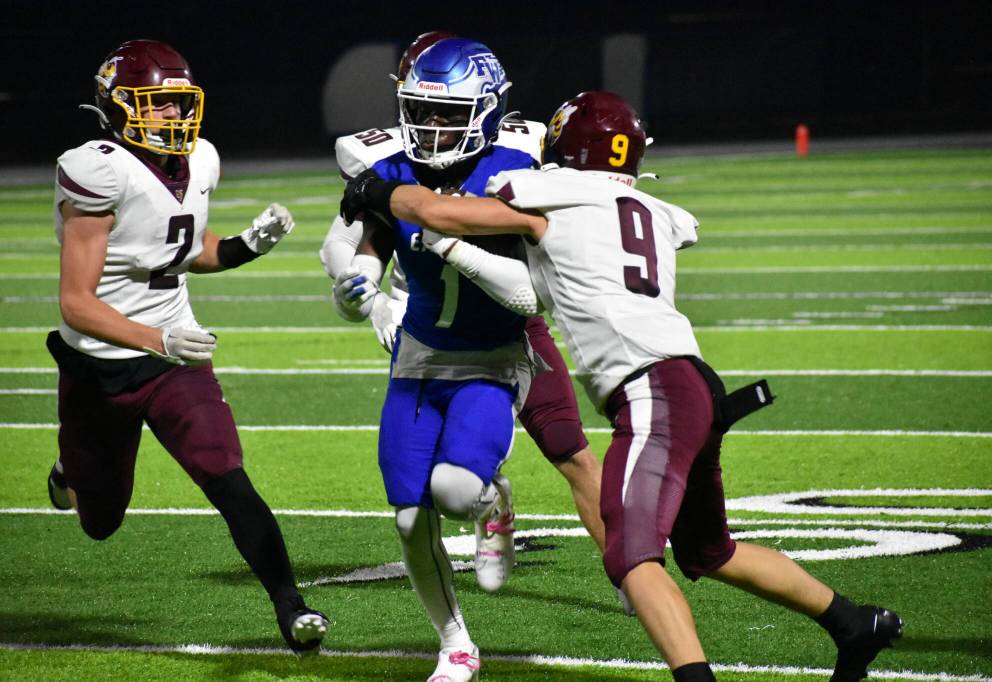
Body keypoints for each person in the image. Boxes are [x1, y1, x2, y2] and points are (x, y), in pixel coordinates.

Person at [340, 91, 904, 682]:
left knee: (632, 556)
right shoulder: (654, 211)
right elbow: (539, 280)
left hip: (650, 391)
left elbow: (437, 211)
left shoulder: (550, 194)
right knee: (710, 552)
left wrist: (379, 191)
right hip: (695, 382)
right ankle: (854, 623)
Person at [44, 39, 329, 654]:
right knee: (100, 522)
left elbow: (182, 250)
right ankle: (69, 468)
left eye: (178, 102)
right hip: (100, 367)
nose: (173, 115)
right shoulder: (98, 170)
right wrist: (159, 337)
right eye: (157, 104)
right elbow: (77, 303)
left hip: (173, 364)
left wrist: (245, 246)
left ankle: (292, 606)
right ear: (117, 107)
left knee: (226, 475)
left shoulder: (199, 160)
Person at [329, 36, 598, 682]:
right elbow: (362, 247)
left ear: (486, 111)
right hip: (417, 361)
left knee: (454, 491)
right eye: (420, 110)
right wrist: (358, 290)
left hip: (493, 357)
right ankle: (455, 644)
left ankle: (492, 500)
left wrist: (450, 245)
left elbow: (532, 296)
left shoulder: (520, 168)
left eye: (447, 113)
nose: (430, 125)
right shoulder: (390, 167)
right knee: (407, 517)